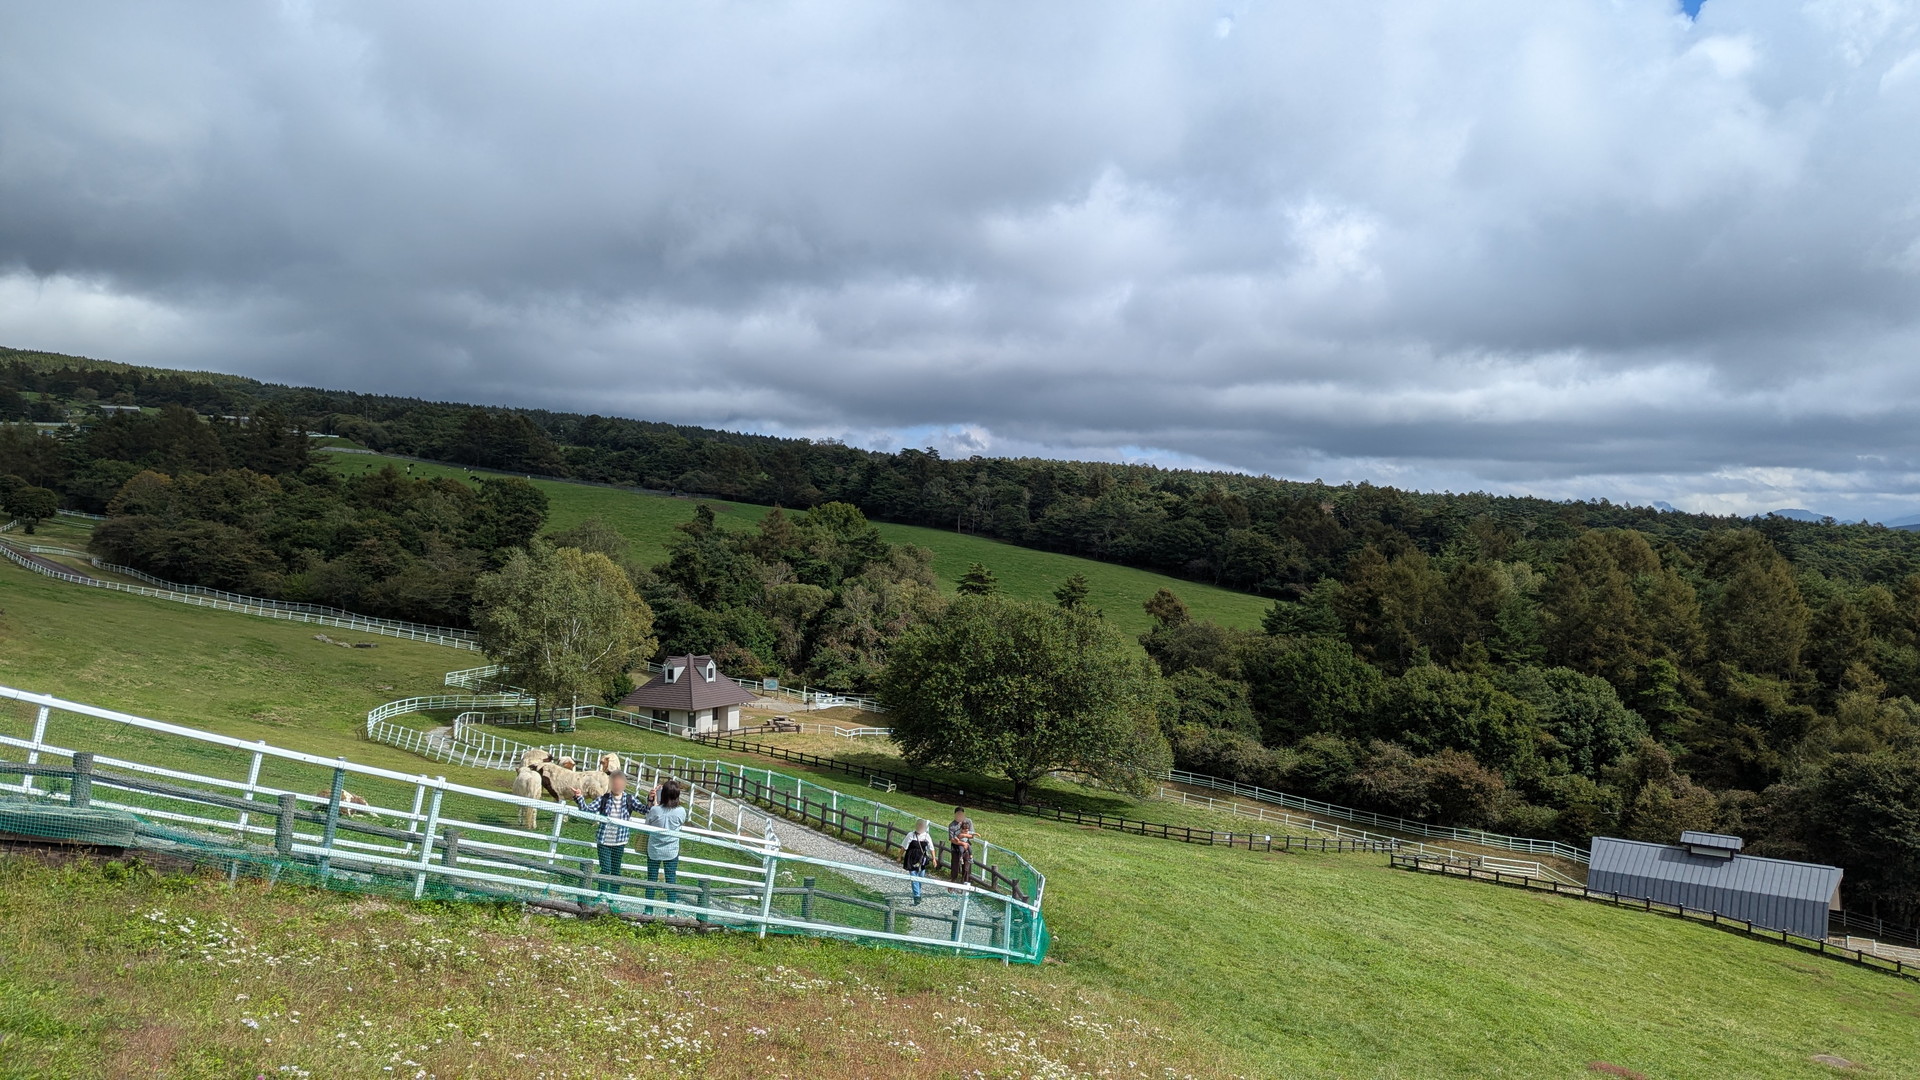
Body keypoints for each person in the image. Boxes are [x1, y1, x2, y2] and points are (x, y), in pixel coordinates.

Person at [575, 770, 644, 895]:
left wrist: (652, 799)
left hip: (620, 842)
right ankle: (602, 894)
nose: (617, 786)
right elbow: (587, 811)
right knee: (606, 869)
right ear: (610, 784)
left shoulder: (629, 799)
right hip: (604, 841)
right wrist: (579, 797)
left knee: (616, 870)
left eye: (620, 784)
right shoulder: (603, 799)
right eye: (615, 783)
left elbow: (644, 810)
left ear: (624, 784)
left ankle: (613, 895)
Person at [644, 778, 689, 914]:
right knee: (671, 880)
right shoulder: (681, 811)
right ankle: (671, 912)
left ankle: (648, 910)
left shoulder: (655, 810)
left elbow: (647, 823)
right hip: (671, 851)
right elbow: (681, 822)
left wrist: (653, 803)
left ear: (662, 794)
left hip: (654, 850)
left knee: (651, 879)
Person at [902, 819, 935, 905]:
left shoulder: (926, 836)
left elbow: (931, 848)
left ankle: (918, 893)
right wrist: (899, 856)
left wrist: (934, 859)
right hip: (911, 859)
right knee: (914, 878)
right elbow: (904, 846)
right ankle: (916, 896)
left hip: (921, 860)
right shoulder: (911, 835)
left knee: (920, 878)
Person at [947, 807, 975, 885]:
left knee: (966, 868)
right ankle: (952, 883)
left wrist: (963, 836)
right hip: (956, 847)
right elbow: (952, 839)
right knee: (955, 867)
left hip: (966, 847)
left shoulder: (968, 821)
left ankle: (965, 884)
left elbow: (972, 835)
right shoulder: (952, 825)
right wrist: (962, 843)